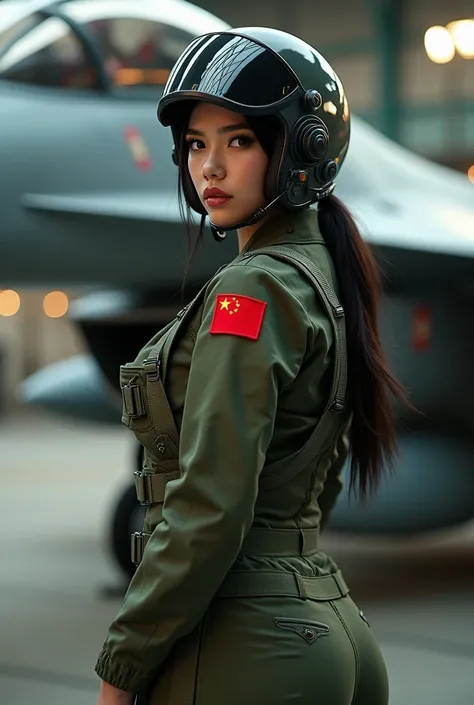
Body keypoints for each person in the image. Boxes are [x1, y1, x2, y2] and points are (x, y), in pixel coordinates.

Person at [94, 27, 406, 705]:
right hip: (324, 624)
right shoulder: (324, 271)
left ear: (298, 150)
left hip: (249, 647)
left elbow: (210, 504)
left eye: (237, 141)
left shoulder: (254, 289)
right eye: (197, 144)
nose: (209, 167)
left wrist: (121, 670)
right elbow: (312, 478)